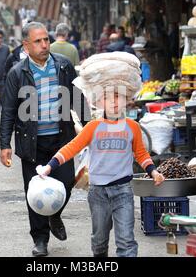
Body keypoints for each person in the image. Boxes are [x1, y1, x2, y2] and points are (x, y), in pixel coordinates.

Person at [0, 21, 89, 257]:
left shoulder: (63, 65)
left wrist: (91, 129)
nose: (44, 45)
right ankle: (40, 240)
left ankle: (54, 214)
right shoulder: (17, 73)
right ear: (26, 45)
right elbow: (8, 110)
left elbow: (77, 99)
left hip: (62, 140)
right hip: (32, 143)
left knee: (67, 182)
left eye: (46, 40)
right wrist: (4, 145)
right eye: (37, 41)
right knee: (35, 193)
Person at [39, 90, 165, 257]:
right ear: (99, 103)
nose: (114, 102)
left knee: (126, 241)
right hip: (98, 192)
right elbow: (72, 147)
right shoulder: (93, 127)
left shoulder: (132, 126)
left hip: (123, 191)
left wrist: (153, 171)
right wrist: (49, 166)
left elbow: (141, 153)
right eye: (107, 98)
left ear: (126, 101)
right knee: (99, 242)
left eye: (118, 97)